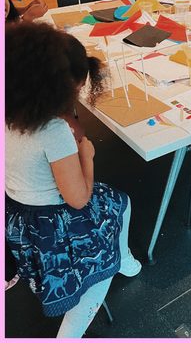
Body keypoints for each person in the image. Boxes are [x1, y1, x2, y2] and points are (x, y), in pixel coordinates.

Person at [5, 22, 142, 338]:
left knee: (120, 201)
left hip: (19, 217)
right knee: (98, 272)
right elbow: (78, 198)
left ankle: (124, 259)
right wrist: (87, 157)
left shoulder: (10, 110)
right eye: (75, 92)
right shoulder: (52, 131)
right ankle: (71, 332)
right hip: (53, 224)